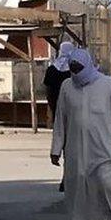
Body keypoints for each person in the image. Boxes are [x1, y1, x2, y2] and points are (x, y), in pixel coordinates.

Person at [51, 48, 111, 220]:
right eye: (72, 68)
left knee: (107, 188)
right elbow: (61, 120)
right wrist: (56, 148)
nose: (76, 72)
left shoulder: (107, 85)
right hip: (76, 151)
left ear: (87, 65)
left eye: (79, 67)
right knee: (79, 192)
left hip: (105, 150)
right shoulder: (67, 87)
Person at [44, 42, 75, 192]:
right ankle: (68, 177)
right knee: (74, 146)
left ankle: (66, 177)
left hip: (58, 110)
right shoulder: (74, 69)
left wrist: (53, 109)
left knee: (64, 142)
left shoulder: (52, 69)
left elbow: (48, 92)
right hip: (74, 111)